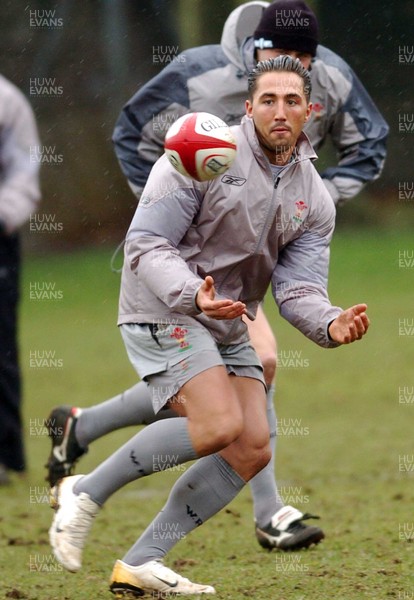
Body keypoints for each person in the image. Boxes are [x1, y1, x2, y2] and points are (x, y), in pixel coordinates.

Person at [45, 0, 388, 551]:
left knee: (246, 437)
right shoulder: (201, 98)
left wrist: (328, 319)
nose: (287, 86)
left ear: (310, 105)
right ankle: (259, 510)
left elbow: (368, 147)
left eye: (301, 67)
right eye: (271, 88)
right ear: (251, 82)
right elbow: (135, 144)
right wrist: (171, 208)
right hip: (172, 291)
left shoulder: (309, 180)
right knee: (225, 412)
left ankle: (94, 458)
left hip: (232, 297)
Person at [0, 74, 41, 484]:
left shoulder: (6, 101)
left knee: (0, 346)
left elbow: (23, 170)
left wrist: (4, 214)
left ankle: (5, 452)